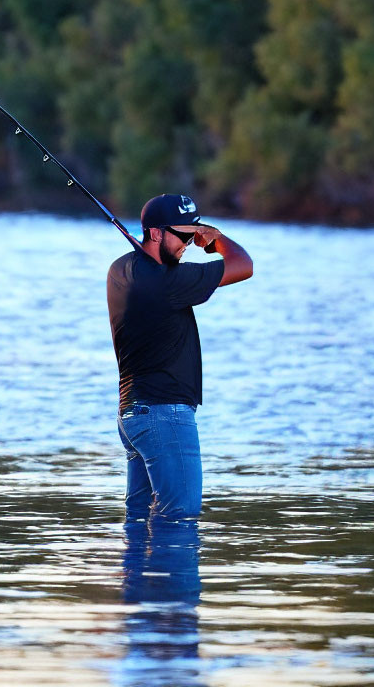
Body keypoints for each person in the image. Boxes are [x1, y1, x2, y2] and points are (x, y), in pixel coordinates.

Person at [107, 193, 253, 522]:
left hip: (132, 416)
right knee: (179, 519)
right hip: (164, 416)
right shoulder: (168, 282)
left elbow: (147, 266)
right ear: (155, 233)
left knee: (140, 520)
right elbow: (244, 265)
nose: (190, 242)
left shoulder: (120, 269)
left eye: (194, 234)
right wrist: (217, 240)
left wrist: (161, 253)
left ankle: (138, 576)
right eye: (184, 234)